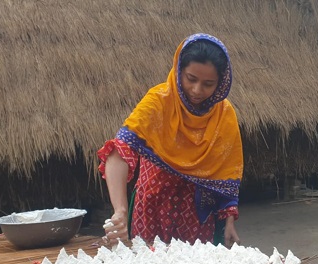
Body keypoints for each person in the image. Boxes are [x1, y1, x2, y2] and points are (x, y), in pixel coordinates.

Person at [97, 33, 242, 247]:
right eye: (191, 79)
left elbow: (227, 176)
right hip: (152, 207)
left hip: (196, 216)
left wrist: (229, 221)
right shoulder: (158, 102)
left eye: (208, 84)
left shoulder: (224, 116)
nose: (197, 90)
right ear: (178, 71)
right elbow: (119, 152)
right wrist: (120, 209)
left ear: (221, 83)